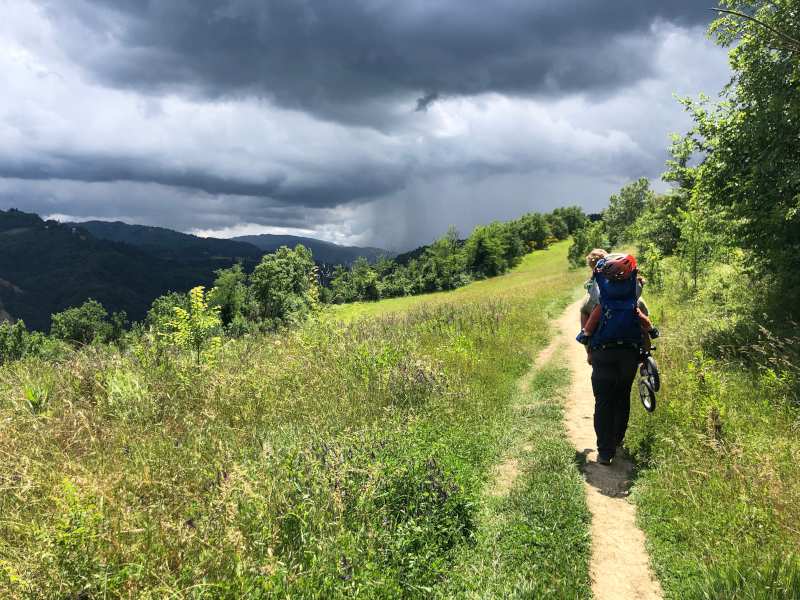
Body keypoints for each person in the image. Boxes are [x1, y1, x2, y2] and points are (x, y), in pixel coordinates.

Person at [579, 250, 649, 466]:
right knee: (622, 394)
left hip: (603, 354)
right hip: (629, 353)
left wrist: (589, 352)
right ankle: (618, 438)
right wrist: (644, 356)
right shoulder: (634, 296)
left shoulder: (591, 299)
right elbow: (644, 325)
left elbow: (585, 329)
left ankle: (605, 451)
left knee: (603, 399)